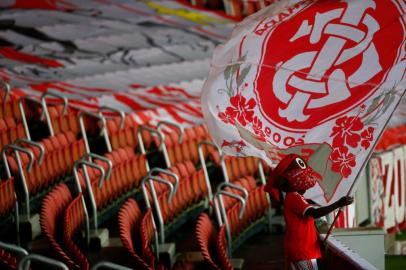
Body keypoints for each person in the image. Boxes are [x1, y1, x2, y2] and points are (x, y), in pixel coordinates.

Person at [264, 154, 354, 270]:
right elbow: (314, 213)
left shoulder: (295, 196)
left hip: (301, 249)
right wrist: (338, 203)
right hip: (302, 251)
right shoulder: (294, 197)